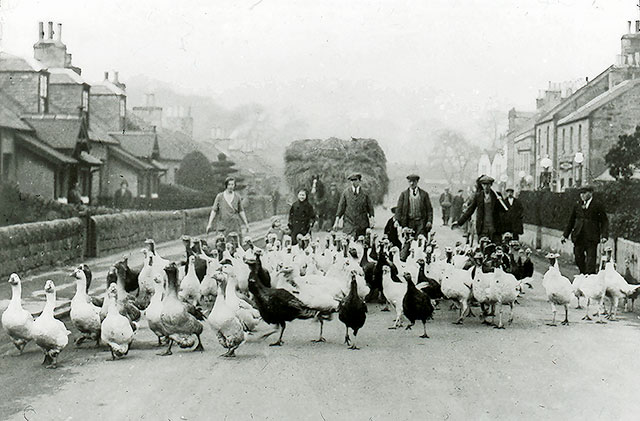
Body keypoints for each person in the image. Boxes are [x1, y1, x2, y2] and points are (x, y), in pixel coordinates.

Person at [561, 185, 608, 275]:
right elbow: (571, 221)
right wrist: (565, 235)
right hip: (578, 237)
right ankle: (584, 274)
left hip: (591, 238)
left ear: (591, 193)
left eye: (584, 193)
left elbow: (604, 221)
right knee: (578, 258)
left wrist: (604, 235)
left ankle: (590, 280)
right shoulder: (577, 204)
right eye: (581, 193)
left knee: (591, 262)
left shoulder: (597, 205)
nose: (582, 195)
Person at [452, 175, 508, 245]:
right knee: (483, 249)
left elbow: (504, 211)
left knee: (496, 249)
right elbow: (470, 210)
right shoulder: (478, 196)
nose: (486, 187)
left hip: (495, 228)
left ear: (491, 185)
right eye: (484, 185)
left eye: (488, 185)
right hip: (482, 228)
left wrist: (500, 200)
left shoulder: (496, 196)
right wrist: (459, 222)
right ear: (481, 185)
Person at [206, 177, 250, 243]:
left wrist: (246, 223)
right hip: (223, 226)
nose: (231, 186)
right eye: (229, 184)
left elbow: (241, 211)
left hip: (234, 225)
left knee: (236, 246)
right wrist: (209, 224)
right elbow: (214, 210)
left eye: (232, 184)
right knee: (222, 245)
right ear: (226, 185)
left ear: (234, 185)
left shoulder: (237, 196)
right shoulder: (220, 196)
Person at [334, 173, 375, 238]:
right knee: (348, 244)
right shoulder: (346, 193)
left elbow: (370, 208)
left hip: (362, 225)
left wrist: (372, 220)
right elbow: (340, 208)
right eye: (352, 180)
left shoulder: (365, 193)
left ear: (359, 181)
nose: (353, 182)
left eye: (355, 180)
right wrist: (336, 222)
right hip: (349, 225)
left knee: (362, 244)